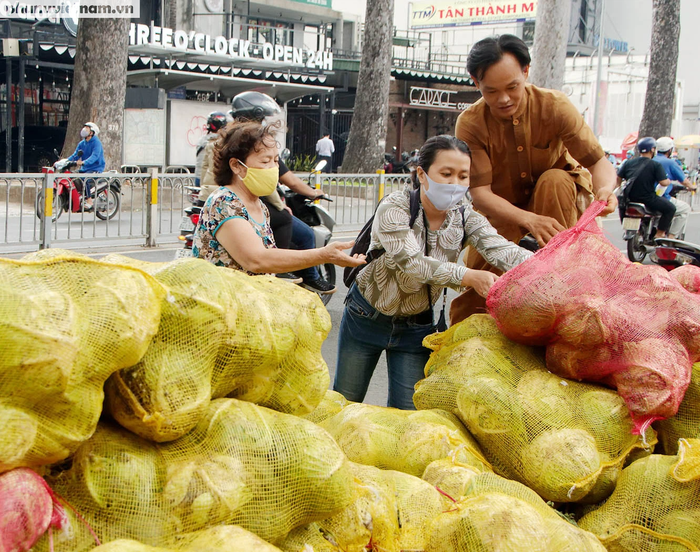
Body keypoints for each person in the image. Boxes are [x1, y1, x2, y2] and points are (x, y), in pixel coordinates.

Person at [333, 135, 533, 410]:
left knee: (409, 415)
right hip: (366, 316)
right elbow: (411, 262)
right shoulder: (395, 207)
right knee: (345, 400)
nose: (455, 184)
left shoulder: (466, 218)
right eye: (446, 174)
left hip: (417, 328)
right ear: (422, 174)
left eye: (463, 176)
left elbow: (501, 250)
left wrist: (550, 264)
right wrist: (469, 276)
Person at [449, 34, 618, 325]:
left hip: (556, 206)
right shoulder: (471, 123)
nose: (503, 99)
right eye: (491, 91)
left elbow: (598, 162)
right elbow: (480, 193)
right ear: (475, 83)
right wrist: (529, 220)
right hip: (500, 212)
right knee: (477, 302)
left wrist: (605, 189)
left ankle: (560, 279)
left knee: (555, 179)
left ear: (526, 71)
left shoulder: (555, 106)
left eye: (512, 87)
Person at [192, 119, 365, 280]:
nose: (274, 168)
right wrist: (323, 255)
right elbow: (256, 260)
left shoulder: (259, 205)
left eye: (275, 160)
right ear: (236, 166)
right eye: (265, 161)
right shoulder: (225, 202)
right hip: (222, 308)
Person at [617, 137, 674, 239]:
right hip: (648, 198)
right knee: (670, 208)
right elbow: (663, 183)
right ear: (652, 149)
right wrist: (669, 181)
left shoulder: (628, 163)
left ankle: (628, 229)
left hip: (629, 199)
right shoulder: (655, 165)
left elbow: (618, 179)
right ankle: (660, 233)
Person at [654, 136, 696, 239]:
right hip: (661, 197)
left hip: (646, 195)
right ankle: (671, 236)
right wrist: (692, 187)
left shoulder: (651, 159)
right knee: (685, 208)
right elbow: (684, 180)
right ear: (670, 150)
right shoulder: (670, 162)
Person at [67, 122, 105, 211]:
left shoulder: (96, 143)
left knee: (84, 178)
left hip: (95, 168)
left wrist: (84, 162)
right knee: (72, 176)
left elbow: (94, 156)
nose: (84, 129)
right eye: (84, 127)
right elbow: (75, 155)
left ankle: (89, 200)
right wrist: (64, 161)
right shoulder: (82, 143)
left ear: (91, 132)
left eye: (87, 128)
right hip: (85, 168)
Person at [195, 111, 227, 187]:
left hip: (199, 177)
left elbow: (203, 164)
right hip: (214, 181)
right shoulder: (224, 141)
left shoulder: (202, 140)